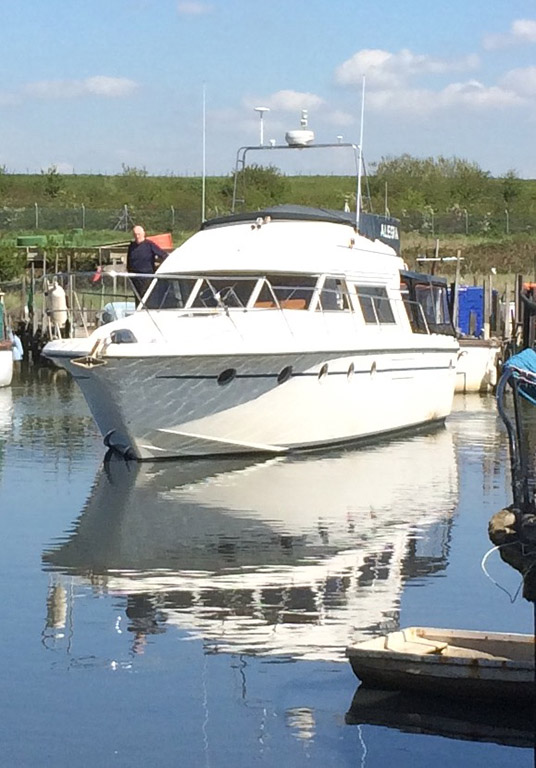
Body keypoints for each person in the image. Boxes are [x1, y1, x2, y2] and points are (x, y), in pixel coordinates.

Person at [126, 225, 168, 305]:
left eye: (138, 234)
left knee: (146, 297)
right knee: (137, 299)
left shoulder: (149, 244)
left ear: (143, 234)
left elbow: (163, 255)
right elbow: (128, 260)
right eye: (135, 234)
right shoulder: (132, 246)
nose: (137, 236)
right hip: (134, 277)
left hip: (146, 276)